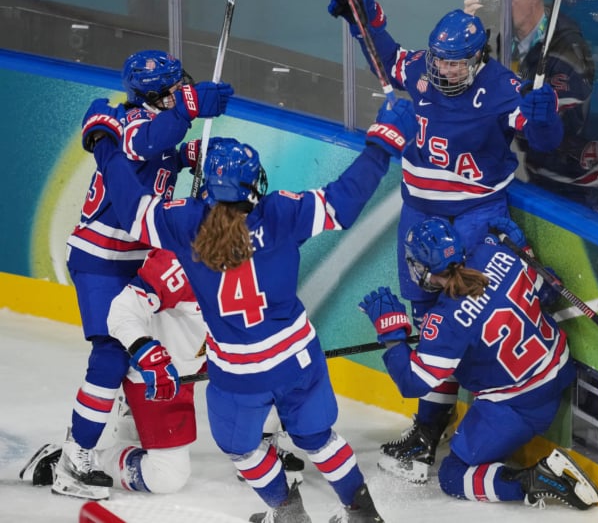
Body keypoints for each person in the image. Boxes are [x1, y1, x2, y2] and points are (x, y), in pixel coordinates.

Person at [88, 98, 419, 522]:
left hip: (238, 372)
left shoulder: (185, 222)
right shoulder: (280, 212)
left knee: (243, 449)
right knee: (318, 437)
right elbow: (344, 202)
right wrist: (382, 145)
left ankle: (290, 516)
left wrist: (105, 144)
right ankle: (363, 515)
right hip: (298, 356)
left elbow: (132, 208)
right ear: (253, 188)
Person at [328, 0, 563, 468]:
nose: (445, 69)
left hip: (477, 213)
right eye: (440, 60)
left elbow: (541, 141)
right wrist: (362, 20)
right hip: (419, 210)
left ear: (478, 59)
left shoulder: (501, 87)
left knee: (457, 312)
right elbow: (385, 55)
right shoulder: (420, 69)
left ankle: (474, 415)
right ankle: (428, 428)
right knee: (425, 316)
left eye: (456, 62)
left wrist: (546, 119)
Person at [54, 49, 234, 500]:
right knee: (112, 354)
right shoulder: (129, 124)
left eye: (181, 83)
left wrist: (200, 154)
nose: (180, 89)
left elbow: (164, 153)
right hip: (100, 260)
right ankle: (74, 458)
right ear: (151, 95)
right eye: (172, 87)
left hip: (136, 258)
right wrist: (190, 109)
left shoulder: (160, 132)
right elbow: (144, 143)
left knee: (148, 344)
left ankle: (130, 415)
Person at [357, 216, 598, 511]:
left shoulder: (444, 322)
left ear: (424, 269)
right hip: (560, 369)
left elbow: (413, 383)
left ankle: (535, 479)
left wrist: (392, 336)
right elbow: (549, 292)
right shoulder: (495, 252)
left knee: (452, 475)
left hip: (521, 406)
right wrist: (524, 250)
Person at [20, 248, 304, 494]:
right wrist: (146, 352)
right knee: (168, 477)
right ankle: (77, 458)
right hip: (163, 374)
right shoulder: (178, 260)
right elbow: (123, 311)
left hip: (209, 356)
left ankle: (258, 448)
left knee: (267, 371)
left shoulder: (259, 249)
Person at [466, 0, 598, 215]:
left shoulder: (567, 49)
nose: (499, 3)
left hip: (577, 177)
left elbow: (562, 123)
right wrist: (470, 38)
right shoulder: (504, 38)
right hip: (536, 167)